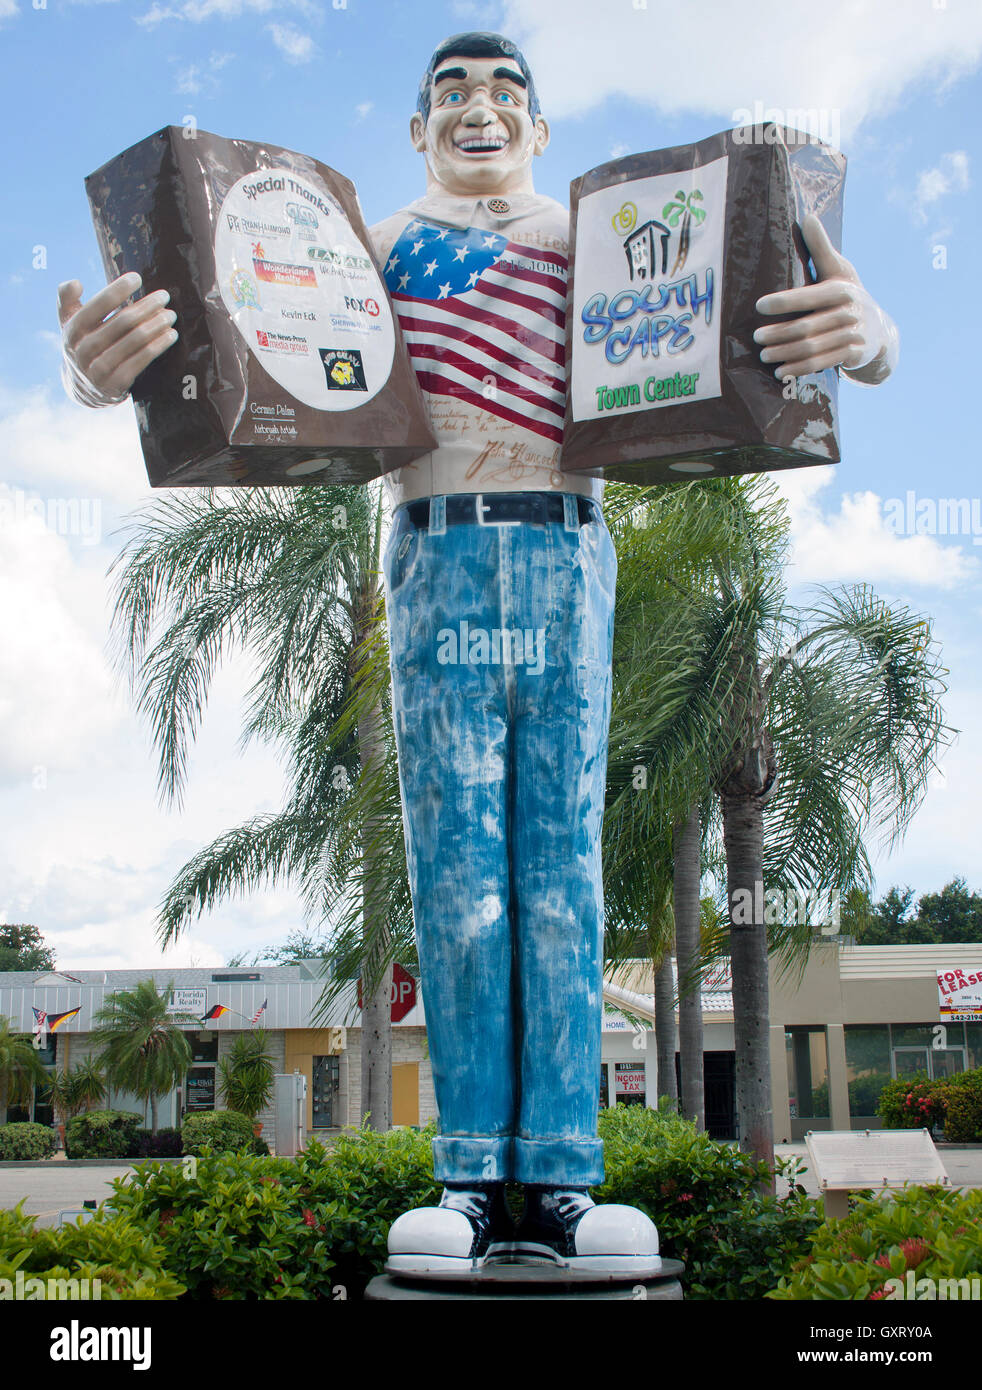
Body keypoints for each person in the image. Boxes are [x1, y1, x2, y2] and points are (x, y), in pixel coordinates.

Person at [58, 31, 898, 1275]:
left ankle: (562, 1176)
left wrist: (868, 336)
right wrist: (103, 375)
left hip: (568, 553)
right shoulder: (361, 251)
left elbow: (789, 336)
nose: (480, 109)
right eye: (450, 91)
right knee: (458, 880)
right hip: (435, 552)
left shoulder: (620, 244)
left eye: (507, 90)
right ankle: (466, 1174)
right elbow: (227, 340)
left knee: (558, 870)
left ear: (542, 129)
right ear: (415, 128)